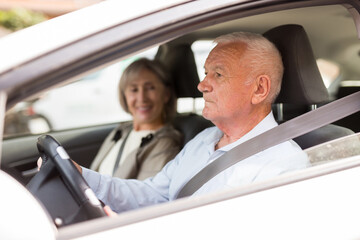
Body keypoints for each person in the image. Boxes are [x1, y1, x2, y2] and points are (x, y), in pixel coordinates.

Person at [44, 32, 309, 213]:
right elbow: (154, 195)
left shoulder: (283, 167)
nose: (202, 85)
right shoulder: (204, 140)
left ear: (260, 89)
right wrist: (84, 177)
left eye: (218, 74)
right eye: (206, 72)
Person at [90, 58, 183, 180]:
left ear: (166, 95)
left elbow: (144, 195)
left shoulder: (165, 143)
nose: (142, 98)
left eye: (150, 88)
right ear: (125, 96)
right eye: (134, 90)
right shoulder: (121, 131)